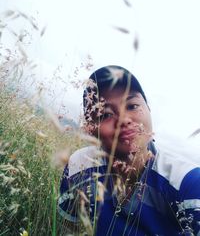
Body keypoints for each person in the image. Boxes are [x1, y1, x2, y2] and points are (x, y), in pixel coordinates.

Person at [58, 65, 200, 235]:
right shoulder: (79, 166)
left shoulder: (186, 182)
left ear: (149, 109)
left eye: (132, 106)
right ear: (90, 128)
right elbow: (69, 227)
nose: (124, 120)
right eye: (105, 114)